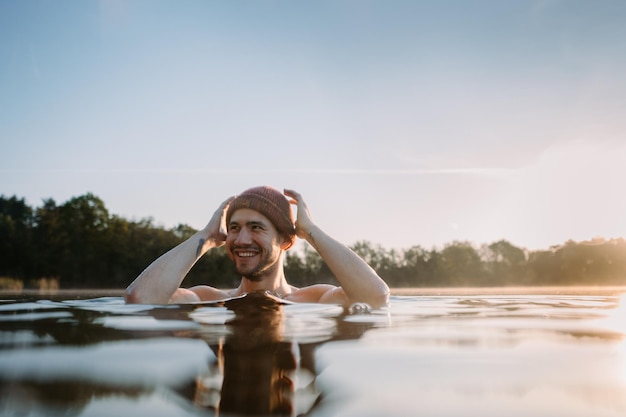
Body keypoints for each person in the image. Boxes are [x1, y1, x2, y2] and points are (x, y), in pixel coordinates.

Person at [124, 186, 389, 308]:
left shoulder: (313, 299)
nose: (241, 240)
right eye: (235, 228)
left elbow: (375, 296)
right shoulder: (210, 299)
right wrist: (204, 237)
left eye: (256, 227)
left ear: (286, 240)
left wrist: (311, 232)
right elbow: (140, 299)